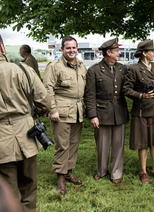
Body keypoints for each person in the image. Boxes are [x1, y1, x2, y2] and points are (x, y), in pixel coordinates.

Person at [0, 35, 50, 211]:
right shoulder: (23, 69)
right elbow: (44, 101)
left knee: (8, 191)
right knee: (29, 187)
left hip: (2, 143)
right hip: (27, 134)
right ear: (2, 48)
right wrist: (34, 113)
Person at [43, 36, 87, 195]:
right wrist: (52, 110)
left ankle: (68, 172)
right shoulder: (54, 66)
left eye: (74, 48)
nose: (71, 51)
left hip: (77, 111)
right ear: (62, 49)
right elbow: (47, 90)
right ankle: (60, 177)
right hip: (61, 111)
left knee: (74, 144)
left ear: (77, 49)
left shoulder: (81, 66)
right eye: (68, 48)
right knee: (62, 145)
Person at [84, 38, 129, 184]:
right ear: (108, 52)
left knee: (118, 145)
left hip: (119, 112)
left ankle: (116, 172)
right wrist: (92, 115)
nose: (119, 53)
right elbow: (90, 95)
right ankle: (102, 170)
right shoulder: (94, 70)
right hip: (102, 113)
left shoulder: (122, 68)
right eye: (116, 51)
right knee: (102, 146)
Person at [123, 39, 154, 183]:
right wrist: (141, 95)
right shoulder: (133, 69)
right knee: (142, 142)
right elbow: (126, 89)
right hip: (141, 110)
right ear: (143, 53)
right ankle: (143, 171)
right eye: (152, 51)